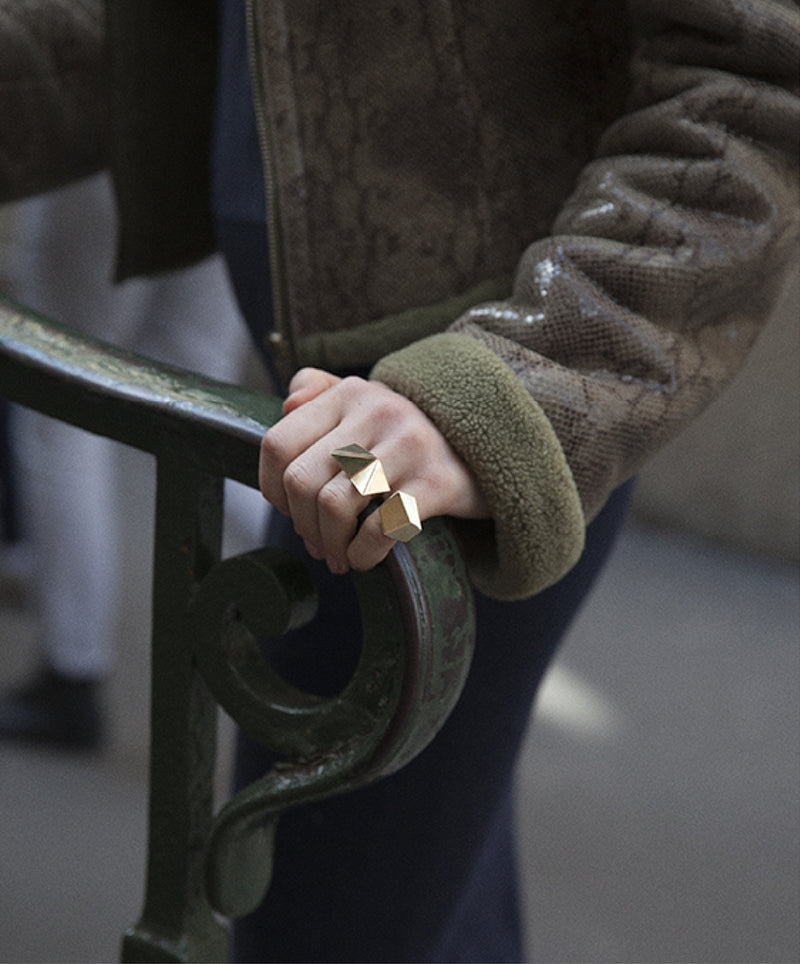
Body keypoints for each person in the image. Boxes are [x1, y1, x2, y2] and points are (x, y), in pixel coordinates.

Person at [2, 0, 798, 960]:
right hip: (334, 425)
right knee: (438, 897)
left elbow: (753, 87)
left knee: (325, 919)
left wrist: (514, 390)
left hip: (430, 463)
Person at [0, 173, 267, 749]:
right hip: (224, 157)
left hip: (125, 144)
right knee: (206, 409)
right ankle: (374, 549)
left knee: (65, 407)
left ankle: (71, 671)